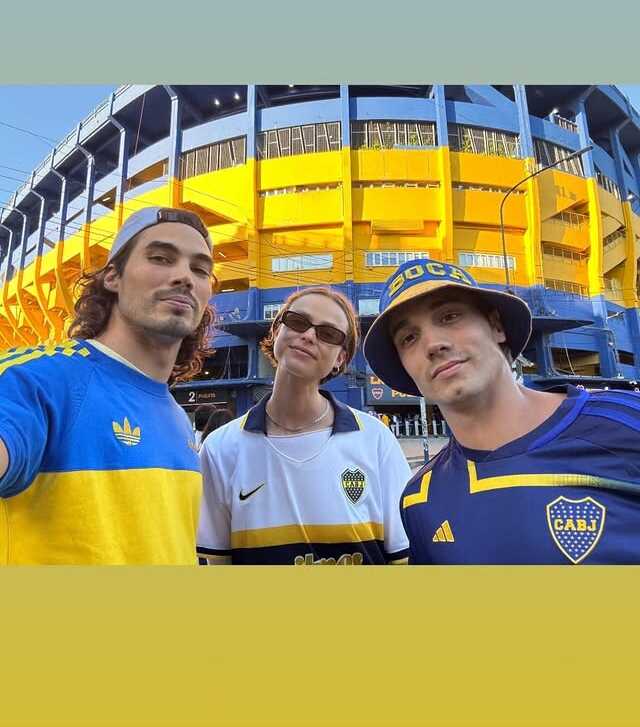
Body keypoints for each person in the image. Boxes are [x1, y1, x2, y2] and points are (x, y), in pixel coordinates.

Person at [364, 257, 640, 565]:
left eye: (450, 316)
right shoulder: (419, 500)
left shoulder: (627, 420)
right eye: (409, 338)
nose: (433, 344)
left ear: (496, 326)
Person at [0, 206, 215, 565]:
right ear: (113, 276)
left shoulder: (178, 417)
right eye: (161, 258)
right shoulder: (39, 378)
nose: (184, 277)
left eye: (200, 269)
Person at [198, 286, 411, 564]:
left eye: (329, 334)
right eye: (297, 321)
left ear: (341, 358)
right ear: (276, 330)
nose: (309, 335)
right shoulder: (220, 449)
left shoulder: (375, 440)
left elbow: (404, 559)